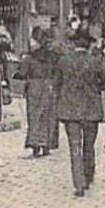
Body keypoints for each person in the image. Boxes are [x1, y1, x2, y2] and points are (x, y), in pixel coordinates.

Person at [53, 26, 105, 197]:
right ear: (88, 45)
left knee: (74, 145)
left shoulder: (64, 61)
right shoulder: (95, 61)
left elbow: (55, 85)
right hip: (91, 110)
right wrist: (97, 85)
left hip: (70, 110)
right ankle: (88, 176)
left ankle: (78, 183)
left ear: (73, 44)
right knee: (89, 144)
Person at [20, 29, 60, 157]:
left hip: (34, 87)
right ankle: (47, 144)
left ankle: (35, 144)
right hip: (50, 86)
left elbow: (22, 73)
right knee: (49, 115)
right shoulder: (54, 57)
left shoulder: (30, 58)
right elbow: (59, 72)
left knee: (34, 116)